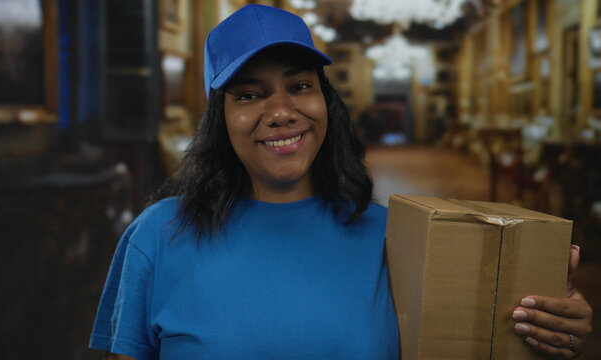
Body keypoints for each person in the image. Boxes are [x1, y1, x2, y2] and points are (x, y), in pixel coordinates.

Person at [89, 4, 592, 360]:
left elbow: (478, 339)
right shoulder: (157, 235)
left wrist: (545, 327)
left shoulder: (396, 236)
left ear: (324, 102)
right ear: (218, 117)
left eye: (300, 86)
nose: (282, 111)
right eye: (249, 94)